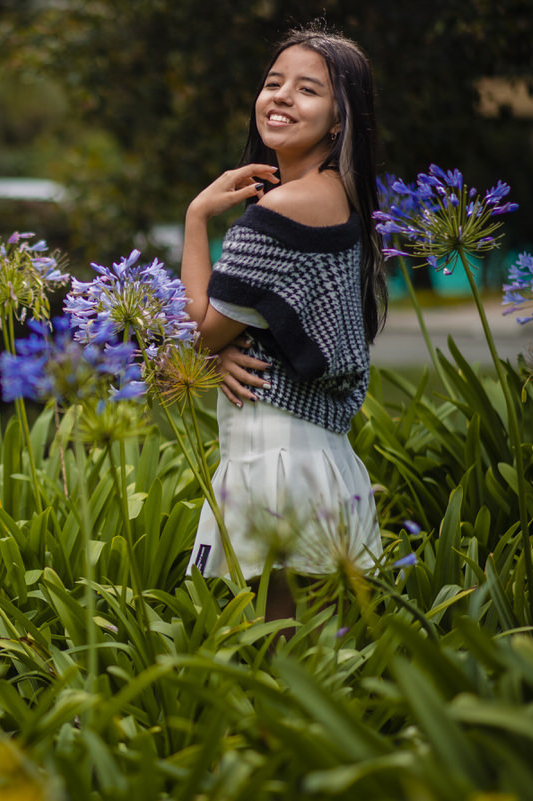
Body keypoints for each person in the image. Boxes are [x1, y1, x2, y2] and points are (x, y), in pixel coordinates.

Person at [180, 26, 386, 622]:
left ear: (340, 119)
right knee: (318, 666)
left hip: (279, 462)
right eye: (273, 84)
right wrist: (220, 350)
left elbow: (198, 331)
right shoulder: (332, 193)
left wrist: (196, 218)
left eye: (307, 90)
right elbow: (249, 327)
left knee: (284, 662)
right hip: (309, 456)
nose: (281, 97)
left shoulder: (284, 208)